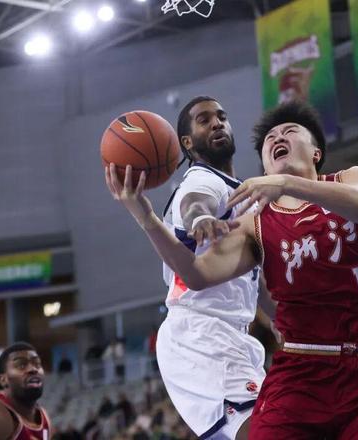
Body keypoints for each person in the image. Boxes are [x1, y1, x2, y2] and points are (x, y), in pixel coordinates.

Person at [105, 100, 358, 439]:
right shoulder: (243, 211)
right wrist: (148, 218)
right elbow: (195, 237)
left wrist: (277, 316)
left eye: (290, 131)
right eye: (270, 139)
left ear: (316, 153)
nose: (278, 137)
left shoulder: (349, 179)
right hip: (236, 344)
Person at [110, 96, 268, 440]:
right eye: (204, 120)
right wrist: (201, 218)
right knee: (268, 431)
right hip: (202, 333)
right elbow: (195, 203)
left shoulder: (239, 191)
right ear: (187, 142)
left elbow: (251, 281)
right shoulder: (202, 180)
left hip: (224, 333)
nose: (217, 123)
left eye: (222, 116)